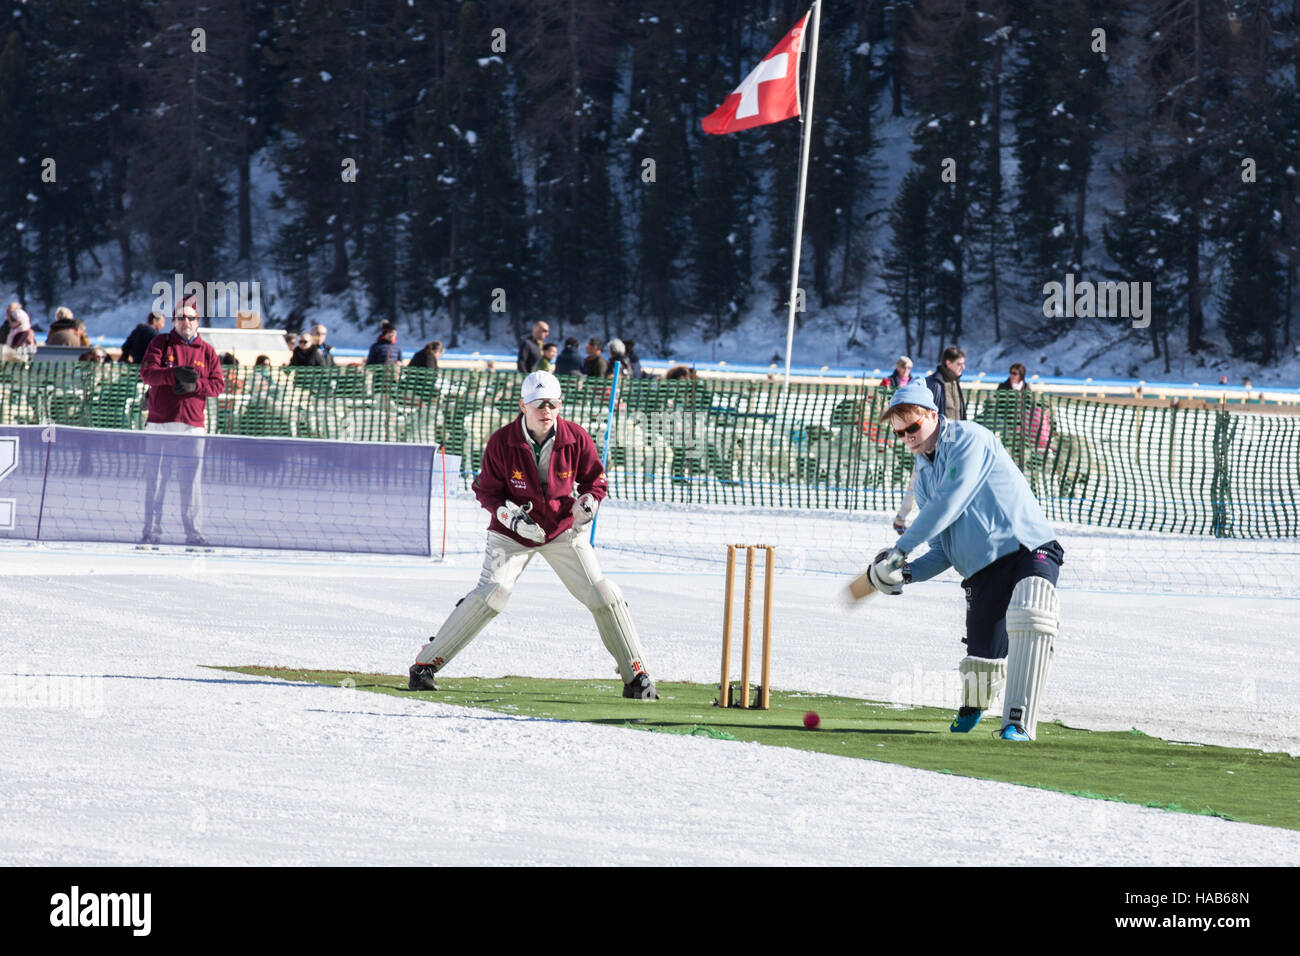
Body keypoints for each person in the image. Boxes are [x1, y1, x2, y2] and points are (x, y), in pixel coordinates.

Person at [408, 370, 659, 700]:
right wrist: (508, 517)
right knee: (492, 594)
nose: (546, 410)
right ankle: (425, 665)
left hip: (562, 530)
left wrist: (589, 502)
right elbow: (486, 491)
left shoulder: (576, 437)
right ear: (523, 405)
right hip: (511, 535)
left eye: (553, 403)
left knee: (603, 592)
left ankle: (637, 675)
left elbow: (595, 481)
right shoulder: (502, 441)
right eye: (539, 404)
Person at [856, 380, 1063, 742]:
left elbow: (949, 502)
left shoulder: (969, 439)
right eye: (900, 433)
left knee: (1032, 612)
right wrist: (905, 573)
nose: (907, 437)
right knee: (982, 658)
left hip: (1028, 546)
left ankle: (1017, 723)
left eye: (913, 427)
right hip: (982, 570)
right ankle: (974, 704)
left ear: (932, 415)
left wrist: (899, 550)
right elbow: (942, 550)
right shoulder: (924, 476)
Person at [138, 301, 226, 546]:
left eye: (190, 318)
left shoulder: (207, 351)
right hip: (160, 423)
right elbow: (147, 374)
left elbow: (218, 385)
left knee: (191, 482)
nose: (185, 322)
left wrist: (195, 385)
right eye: (180, 318)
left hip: (191, 425)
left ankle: (194, 533)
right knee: (156, 481)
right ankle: (151, 531)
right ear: (174, 321)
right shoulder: (160, 343)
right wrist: (173, 375)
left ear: (197, 321)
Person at [894, 346, 968, 533]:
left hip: (951, 441)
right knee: (920, 479)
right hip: (933, 443)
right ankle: (904, 518)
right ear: (948, 363)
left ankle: (940, 520)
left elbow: (959, 414)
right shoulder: (934, 384)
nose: (963, 367)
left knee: (945, 481)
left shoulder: (954, 383)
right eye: (959, 364)